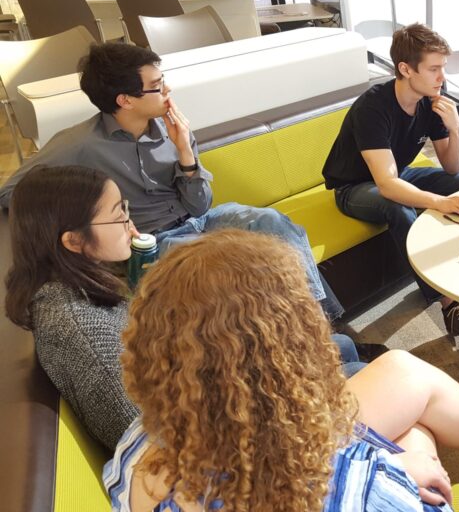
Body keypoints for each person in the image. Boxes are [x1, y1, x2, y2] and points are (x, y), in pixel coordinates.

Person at [107, 229, 459, 511]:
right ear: (291, 352)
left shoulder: (142, 444)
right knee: (416, 423)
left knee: (401, 372)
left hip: (261, 455)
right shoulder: (362, 496)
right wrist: (399, 462)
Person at [2, 165, 364, 451]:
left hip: (201, 390)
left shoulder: (76, 287)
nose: (131, 225)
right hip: (227, 433)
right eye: (118, 215)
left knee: (336, 350)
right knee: (361, 364)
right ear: (74, 240)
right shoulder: (81, 330)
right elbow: (153, 442)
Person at [0, 42, 344, 323]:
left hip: (199, 220)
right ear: (125, 100)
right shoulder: (79, 144)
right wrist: (83, 212)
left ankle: (318, 319)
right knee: (235, 263)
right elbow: (11, 192)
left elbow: (200, 206)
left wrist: (184, 151)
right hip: (151, 244)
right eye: (157, 86)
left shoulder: (173, 129)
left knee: (270, 222)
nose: (167, 90)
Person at [323, 23, 459, 342]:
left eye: (443, 68)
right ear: (405, 68)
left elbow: (451, 165)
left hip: (399, 173)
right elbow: (387, 186)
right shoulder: (373, 107)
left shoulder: (431, 98)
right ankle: (450, 304)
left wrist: (456, 128)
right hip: (355, 188)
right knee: (399, 207)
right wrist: (439, 202)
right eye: (434, 69)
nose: (441, 77)